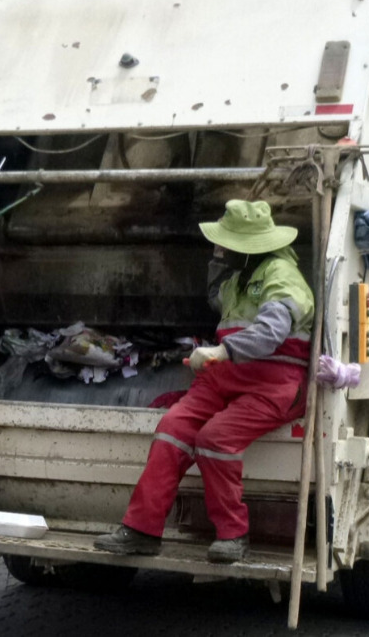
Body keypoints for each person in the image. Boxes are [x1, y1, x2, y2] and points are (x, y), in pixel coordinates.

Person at [94, 200, 315, 563]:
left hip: (274, 385)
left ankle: (233, 535)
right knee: (172, 429)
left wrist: (221, 352)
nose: (220, 248)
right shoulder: (239, 279)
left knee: (215, 438)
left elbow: (271, 332)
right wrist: (216, 261)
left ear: (248, 248)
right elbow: (214, 297)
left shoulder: (282, 276)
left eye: (225, 243)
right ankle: (142, 530)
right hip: (224, 380)